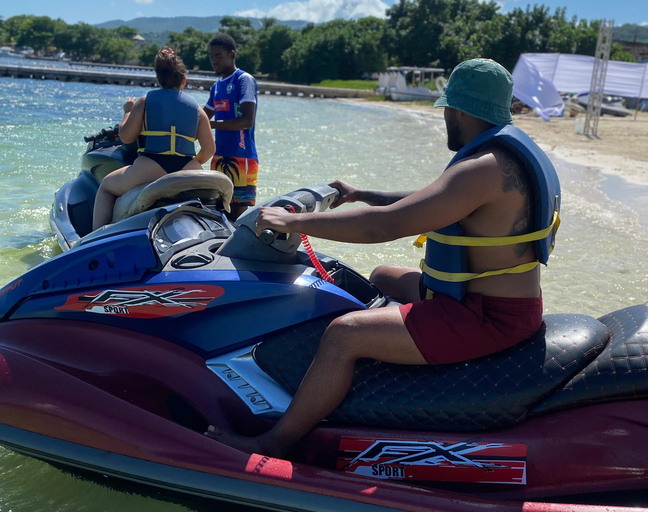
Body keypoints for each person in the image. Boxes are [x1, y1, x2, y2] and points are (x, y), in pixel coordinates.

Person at [207, 59, 561, 458]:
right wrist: (360, 194)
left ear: (459, 110)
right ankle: (380, 368)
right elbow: (427, 202)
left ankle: (276, 442)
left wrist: (294, 222)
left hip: (488, 317)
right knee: (383, 275)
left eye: (447, 109)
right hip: (480, 300)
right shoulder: (499, 159)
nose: (445, 117)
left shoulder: (482, 169)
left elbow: (383, 228)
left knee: (344, 334)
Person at [92, 47, 215, 230]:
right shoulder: (197, 109)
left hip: (151, 166)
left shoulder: (145, 101)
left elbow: (126, 137)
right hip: (187, 169)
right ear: (184, 80)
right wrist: (192, 163)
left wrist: (127, 112)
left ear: (158, 78)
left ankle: (94, 239)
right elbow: (209, 150)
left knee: (106, 187)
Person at [203, 33, 259, 221]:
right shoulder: (216, 87)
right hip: (218, 158)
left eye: (218, 56)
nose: (214, 61)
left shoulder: (244, 80)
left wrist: (209, 125)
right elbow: (203, 117)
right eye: (211, 56)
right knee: (218, 216)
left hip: (242, 159)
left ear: (232, 55)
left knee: (238, 219)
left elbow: (247, 121)